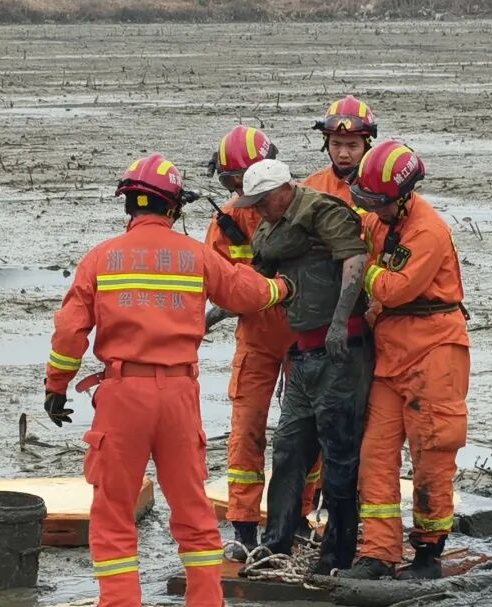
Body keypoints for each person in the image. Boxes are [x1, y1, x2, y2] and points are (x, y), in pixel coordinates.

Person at [43, 153, 294, 607]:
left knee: (114, 513)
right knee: (193, 511)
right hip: (179, 395)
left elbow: (68, 333)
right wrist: (285, 287)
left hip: (122, 396)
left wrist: (56, 386)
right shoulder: (195, 255)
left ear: (129, 205)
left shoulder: (100, 259)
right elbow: (245, 292)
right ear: (174, 207)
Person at [235, 158, 373, 574]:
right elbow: (257, 281)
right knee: (289, 448)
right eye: (254, 204)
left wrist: (339, 323)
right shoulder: (270, 229)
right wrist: (213, 311)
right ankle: (275, 544)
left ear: (284, 190)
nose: (259, 210)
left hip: (341, 354)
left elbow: (355, 259)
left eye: (264, 201)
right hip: (303, 354)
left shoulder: (323, 210)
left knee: (339, 455)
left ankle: (336, 556)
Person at [341, 141, 471, 581]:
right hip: (391, 353)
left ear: (402, 195)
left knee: (431, 453)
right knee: (375, 455)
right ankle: (378, 552)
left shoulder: (428, 231)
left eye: (377, 202)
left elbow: (395, 289)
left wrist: (360, 266)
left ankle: (429, 552)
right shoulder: (378, 219)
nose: (372, 210)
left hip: (434, 351)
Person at [202, 126, 322, 562]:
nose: (241, 190)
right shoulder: (227, 223)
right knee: (246, 431)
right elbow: (214, 282)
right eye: (232, 183)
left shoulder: (306, 207)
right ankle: (244, 527)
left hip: (305, 336)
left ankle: (300, 518)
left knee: (306, 432)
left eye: (245, 180)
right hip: (257, 337)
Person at [303, 94, 378, 213]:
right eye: (336, 144)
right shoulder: (309, 188)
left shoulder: (381, 188)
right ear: (327, 143)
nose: (343, 154)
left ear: (366, 146)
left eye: (352, 146)